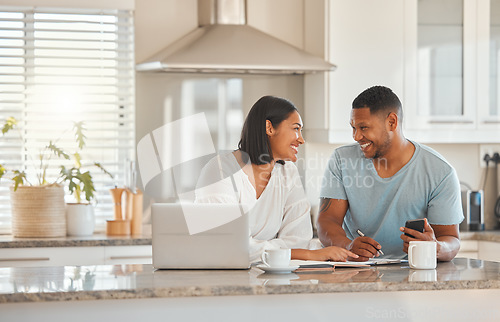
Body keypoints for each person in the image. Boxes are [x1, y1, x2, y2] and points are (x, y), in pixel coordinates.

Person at [195, 95, 357, 263]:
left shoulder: (288, 172)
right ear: (269, 128)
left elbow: (299, 238)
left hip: (270, 276)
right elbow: (226, 245)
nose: (301, 139)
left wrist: (257, 248)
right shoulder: (221, 170)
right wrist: (307, 254)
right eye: (296, 129)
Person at [317, 85, 464, 261]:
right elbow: (327, 221)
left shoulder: (441, 172)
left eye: (363, 127)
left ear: (392, 122)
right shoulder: (341, 160)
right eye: (353, 128)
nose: (356, 136)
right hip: (355, 269)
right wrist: (347, 245)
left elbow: (451, 239)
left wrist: (435, 247)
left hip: (413, 271)